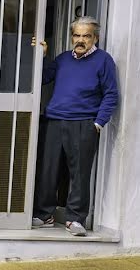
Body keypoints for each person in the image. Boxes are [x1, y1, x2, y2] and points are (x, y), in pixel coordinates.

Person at [32, 17, 119, 236]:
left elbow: (111, 94)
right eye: (77, 35)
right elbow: (41, 79)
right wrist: (40, 57)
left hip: (84, 123)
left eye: (86, 36)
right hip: (54, 120)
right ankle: (45, 215)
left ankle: (74, 219)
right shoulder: (62, 59)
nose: (80, 40)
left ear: (95, 38)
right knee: (48, 169)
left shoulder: (104, 60)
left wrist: (99, 122)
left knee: (79, 173)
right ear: (72, 37)